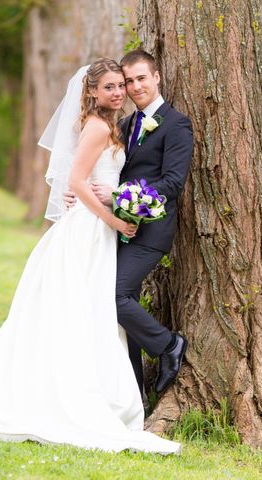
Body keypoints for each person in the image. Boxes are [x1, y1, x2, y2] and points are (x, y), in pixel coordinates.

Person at [0, 59, 180, 454]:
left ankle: (104, 387)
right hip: (91, 231)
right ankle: (71, 391)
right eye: (109, 87)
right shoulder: (99, 126)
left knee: (91, 310)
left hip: (100, 232)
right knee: (82, 309)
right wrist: (112, 218)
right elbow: (75, 181)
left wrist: (108, 204)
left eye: (122, 85)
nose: (119, 92)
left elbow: (94, 180)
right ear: (91, 93)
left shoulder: (116, 126)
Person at [65, 49, 194, 396]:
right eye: (128, 81)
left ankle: (168, 345)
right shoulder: (122, 124)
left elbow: (171, 184)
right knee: (124, 310)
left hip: (150, 232)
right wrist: (76, 194)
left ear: (156, 77)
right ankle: (134, 394)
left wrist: (118, 194)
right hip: (115, 232)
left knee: (113, 295)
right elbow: (95, 169)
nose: (134, 87)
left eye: (140, 79)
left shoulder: (177, 124)